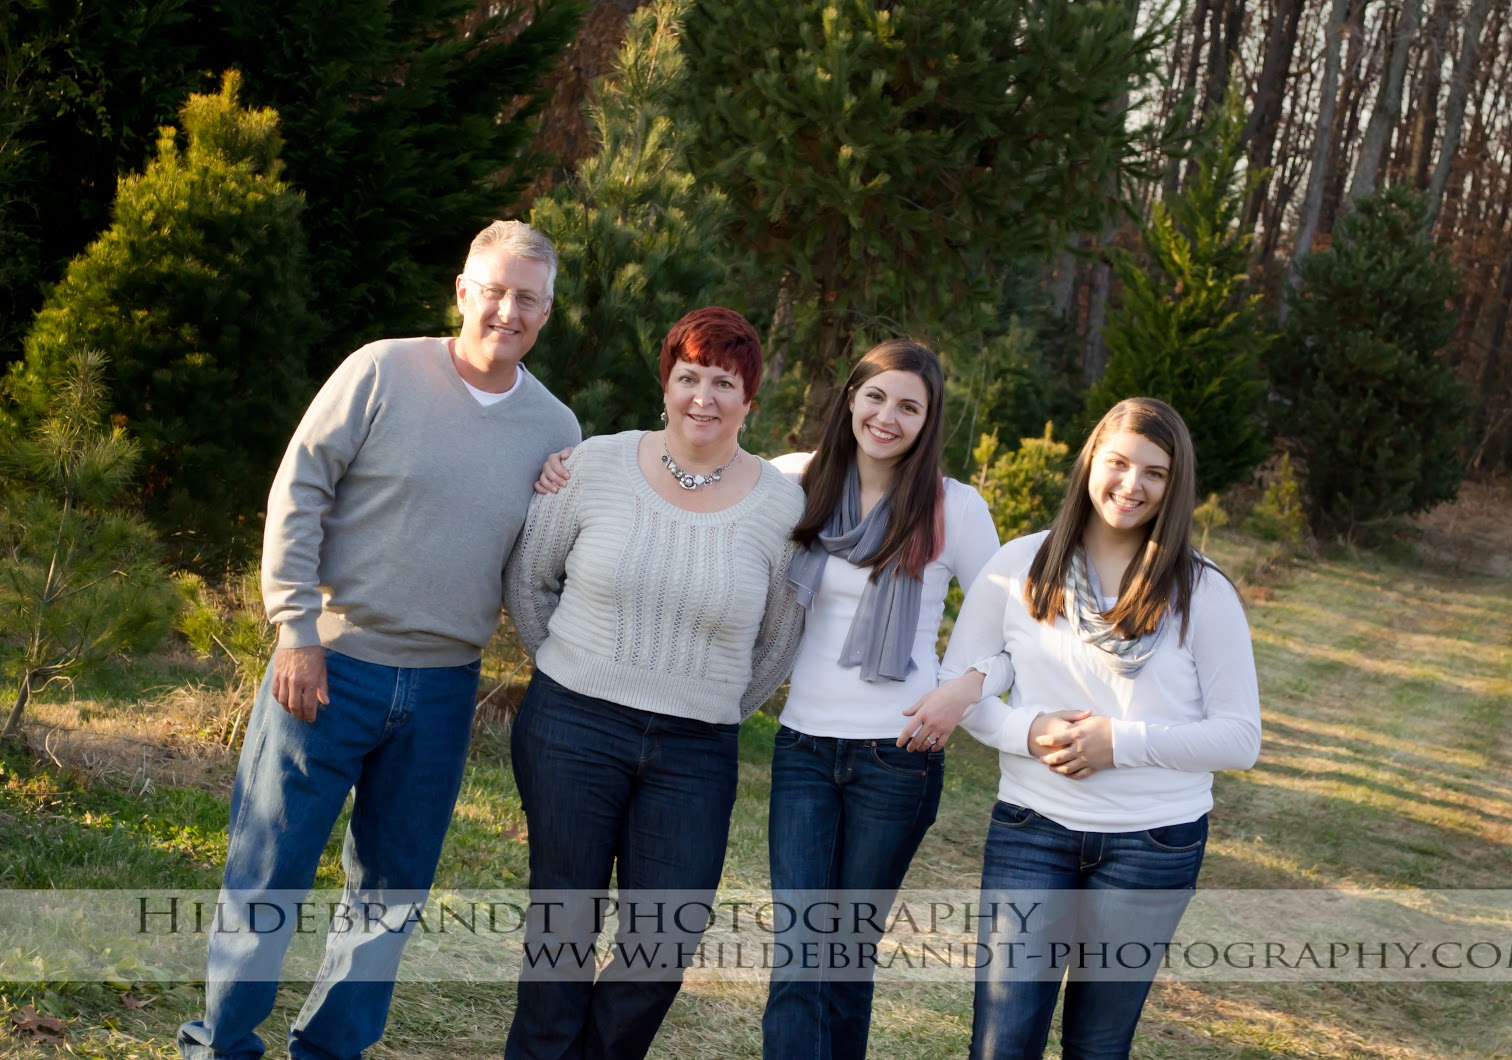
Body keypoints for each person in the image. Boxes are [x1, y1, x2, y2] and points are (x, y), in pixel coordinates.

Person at [177, 220, 581, 1060]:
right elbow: (301, 487)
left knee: (391, 897)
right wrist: (294, 629)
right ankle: (218, 1045)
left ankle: (330, 1050)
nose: (509, 311)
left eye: (529, 299)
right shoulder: (382, 369)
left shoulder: (556, 428)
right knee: (269, 874)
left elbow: (553, 553)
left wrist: (562, 492)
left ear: (547, 313)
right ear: (464, 291)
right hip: (328, 665)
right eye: (495, 290)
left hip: (443, 689)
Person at [501, 306, 806, 1060]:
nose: (703, 396)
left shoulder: (780, 505)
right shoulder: (594, 464)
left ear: (749, 401)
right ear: (665, 385)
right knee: (563, 929)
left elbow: (776, 639)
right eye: (688, 376)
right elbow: (531, 582)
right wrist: (576, 672)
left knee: (662, 946)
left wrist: (704, 699)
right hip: (572, 725)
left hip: (695, 749)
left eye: (724, 382)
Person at [943, 397, 1260, 1060]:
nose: (1131, 485)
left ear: (1176, 488)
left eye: (1155, 472)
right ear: (1090, 462)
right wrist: (1029, 732)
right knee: (1002, 1043)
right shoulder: (1018, 569)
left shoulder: (1203, 593)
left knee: (1097, 1046)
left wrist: (1117, 742)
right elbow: (961, 692)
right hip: (1033, 834)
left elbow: (1239, 737)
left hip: (1152, 847)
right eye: (1118, 463)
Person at [760, 339, 1003, 1059]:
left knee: (846, 958)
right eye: (876, 396)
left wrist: (966, 686)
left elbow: (1019, 629)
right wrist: (569, 467)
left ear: (929, 421)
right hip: (804, 747)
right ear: (850, 398)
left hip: (897, 758)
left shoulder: (955, 507)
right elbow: (694, 475)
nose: (887, 417)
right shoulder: (795, 480)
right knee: (802, 952)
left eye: (909, 406)